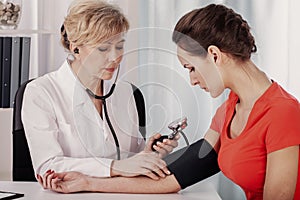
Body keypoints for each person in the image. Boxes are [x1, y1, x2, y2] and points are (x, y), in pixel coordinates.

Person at [38, 3, 300, 199]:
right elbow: (175, 178)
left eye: (190, 67)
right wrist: (87, 182)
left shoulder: (283, 113)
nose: (193, 81)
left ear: (214, 55)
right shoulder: (230, 108)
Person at [22, 0, 179, 182]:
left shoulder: (126, 91)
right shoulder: (41, 92)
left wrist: (148, 154)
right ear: (76, 47)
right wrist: (114, 167)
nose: (115, 57)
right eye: (103, 48)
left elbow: (130, 159)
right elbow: (47, 166)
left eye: (119, 46)